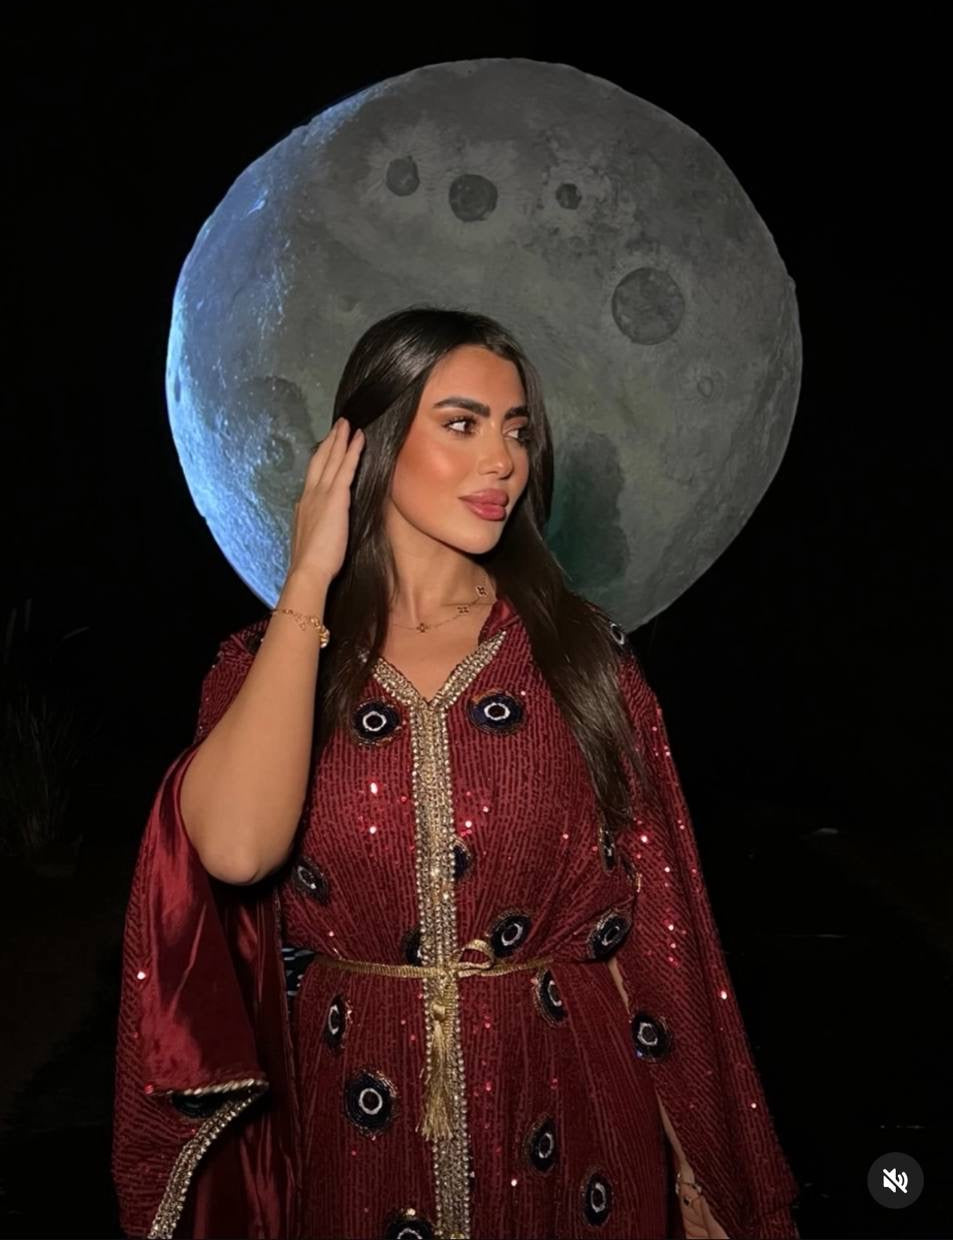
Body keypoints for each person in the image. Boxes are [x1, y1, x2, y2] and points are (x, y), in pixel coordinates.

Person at [111, 307, 800, 1239]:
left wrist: (700, 1172)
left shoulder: (580, 658)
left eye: (516, 430)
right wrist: (307, 582)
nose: (503, 460)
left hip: (572, 1116)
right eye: (462, 423)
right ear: (368, 442)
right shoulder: (266, 668)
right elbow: (235, 851)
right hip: (353, 1128)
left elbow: (658, 938)